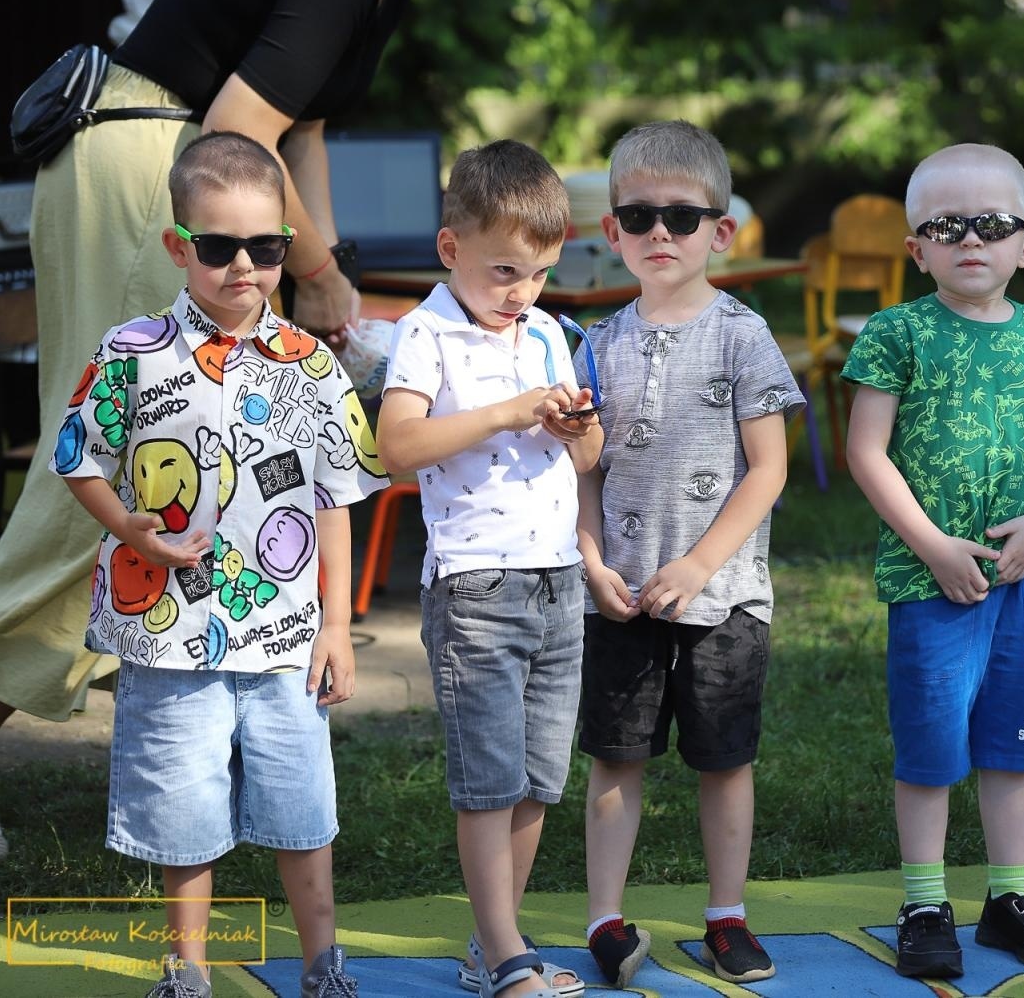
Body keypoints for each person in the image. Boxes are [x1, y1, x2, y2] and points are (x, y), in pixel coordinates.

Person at [0, 0, 487, 863]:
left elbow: (305, 130)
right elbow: (241, 131)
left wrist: (331, 277)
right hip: (155, 185)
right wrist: (319, 269)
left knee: (234, 467)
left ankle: (223, 738)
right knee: (100, 473)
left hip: (194, 188)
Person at [53, 131, 387, 997]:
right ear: (178, 246)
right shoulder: (132, 351)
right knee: (184, 814)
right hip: (171, 639)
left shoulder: (312, 365)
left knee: (301, 812)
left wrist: (339, 626)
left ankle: (325, 964)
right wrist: (130, 529)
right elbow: (79, 456)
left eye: (267, 247)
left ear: (286, 245)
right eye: (218, 246)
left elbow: (335, 498)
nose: (244, 266)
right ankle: (187, 971)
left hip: (285, 639)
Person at [842, 143, 1024, 979]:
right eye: (946, 228)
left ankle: (1010, 897)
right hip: (930, 579)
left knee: (1012, 742)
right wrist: (933, 547)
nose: (969, 241)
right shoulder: (897, 331)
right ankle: (924, 899)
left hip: (1020, 576)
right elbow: (867, 450)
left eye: (991, 225)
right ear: (917, 248)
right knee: (931, 748)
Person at [574, 120, 801, 989]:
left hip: (724, 597)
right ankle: (604, 917)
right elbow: (584, 475)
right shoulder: (594, 343)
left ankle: (725, 915)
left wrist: (702, 565)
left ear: (722, 231)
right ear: (612, 234)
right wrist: (594, 563)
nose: (659, 233)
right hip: (622, 595)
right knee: (616, 755)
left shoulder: (745, 335)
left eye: (680, 215)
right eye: (638, 216)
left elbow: (770, 469)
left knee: (723, 760)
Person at [375, 140, 601, 998]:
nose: (522, 292)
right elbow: (398, 448)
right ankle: (507, 952)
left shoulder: (548, 333)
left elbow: (588, 462)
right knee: (488, 782)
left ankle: (490, 942)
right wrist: (508, 411)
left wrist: (580, 432)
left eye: (539, 273)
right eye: (505, 270)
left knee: (539, 777)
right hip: (474, 587)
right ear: (450, 249)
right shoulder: (425, 332)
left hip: (556, 583)